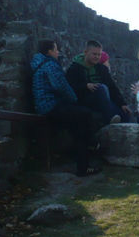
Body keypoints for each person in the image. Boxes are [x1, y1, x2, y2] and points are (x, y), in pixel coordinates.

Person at [31, 39, 101, 176]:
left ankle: (84, 165)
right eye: (56, 49)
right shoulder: (49, 64)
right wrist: (74, 99)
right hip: (51, 106)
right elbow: (60, 86)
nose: (58, 52)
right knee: (85, 115)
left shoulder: (39, 63)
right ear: (49, 51)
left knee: (79, 127)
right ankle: (92, 146)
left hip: (45, 106)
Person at [66, 40, 129, 125]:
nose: (97, 57)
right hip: (84, 99)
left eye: (99, 54)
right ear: (86, 52)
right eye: (94, 54)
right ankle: (109, 118)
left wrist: (122, 103)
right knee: (101, 88)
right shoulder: (74, 68)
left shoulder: (102, 69)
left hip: (103, 99)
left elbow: (112, 86)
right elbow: (69, 86)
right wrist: (85, 86)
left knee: (124, 113)